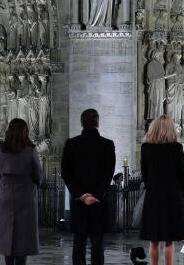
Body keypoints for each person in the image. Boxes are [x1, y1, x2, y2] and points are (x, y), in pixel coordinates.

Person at [62, 109, 116, 265]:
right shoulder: (107, 145)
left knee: (79, 242)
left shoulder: (71, 144)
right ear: (97, 123)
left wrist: (80, 195)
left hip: (79, 202)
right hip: (98, 202)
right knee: (97, 243)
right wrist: (96, 195)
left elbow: (66, 173)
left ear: (81, 123)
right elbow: (108, 173)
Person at [140, 114, 184, 265]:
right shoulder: (176, 148)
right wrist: (182, 194)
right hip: (172, 198)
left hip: (154, 197)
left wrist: (152, 187)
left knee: (153, 240)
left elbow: (145, 173)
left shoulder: (146, 148)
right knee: (169, 240)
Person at [0, 118, 43, 265]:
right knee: (23, 234)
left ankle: (8, 262)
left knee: (5, 232)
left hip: (5, 193)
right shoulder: (30, 149)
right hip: (25, 194)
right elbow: (38, 175)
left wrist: (5, 184)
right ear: (24, 131)